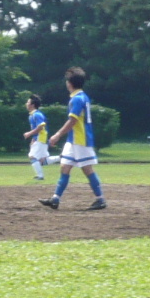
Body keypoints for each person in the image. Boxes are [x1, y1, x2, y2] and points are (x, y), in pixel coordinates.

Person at [39, 67, 107, 211]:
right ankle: (55, 199)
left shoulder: (77, 99)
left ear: (70, 83)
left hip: (81, 139)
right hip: (73, 140)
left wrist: (57, 135)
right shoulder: (82, 97)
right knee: (64, 167)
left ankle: (100, 199)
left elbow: (72, 121)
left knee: (87, 169)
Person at [23, 94, 60, 180]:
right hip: (39, 138)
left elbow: (41, 127)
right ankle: (62, 157)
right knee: (42, 161)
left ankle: (40, 176)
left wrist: (29, 134)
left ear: (32, 105)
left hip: (41, 138)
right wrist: (33, 138)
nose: (26, 103)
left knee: (32, 157)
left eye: (28, 102)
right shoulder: (32, 115)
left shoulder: (37, 115)